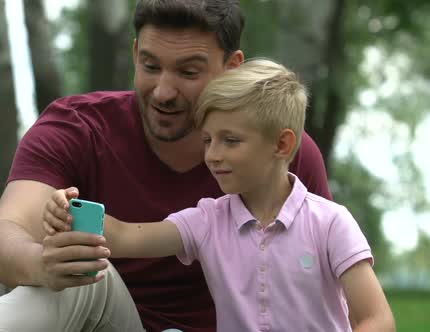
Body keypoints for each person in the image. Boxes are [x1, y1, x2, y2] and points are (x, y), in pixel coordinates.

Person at [0, 1, 331, 331]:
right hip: (29, 320)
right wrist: (40, 262)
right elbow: (3, 240)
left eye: (188, 72)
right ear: (135, 54)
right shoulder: (80, 125)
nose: (163, 91)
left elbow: (326, 290)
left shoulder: (278, 155)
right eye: (151, 65)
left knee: (87, 275)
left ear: (232, 68)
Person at [44, 59, 396, 332]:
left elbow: (377, 319)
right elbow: (122, 237)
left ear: (282, 143)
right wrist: (69, 212)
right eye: (208, 140)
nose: (212, 155)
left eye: (231, 140)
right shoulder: (208, 220)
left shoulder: (331, 223)